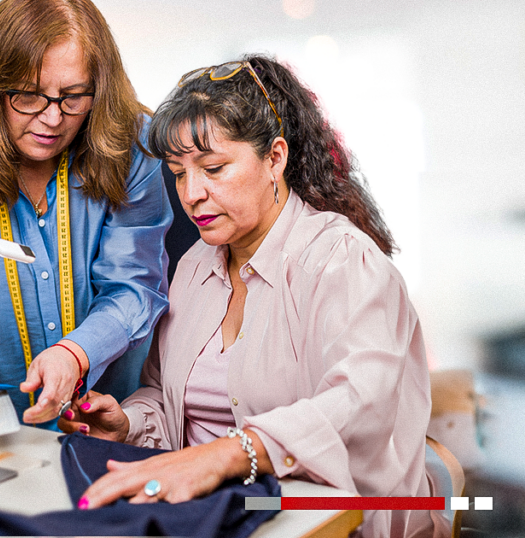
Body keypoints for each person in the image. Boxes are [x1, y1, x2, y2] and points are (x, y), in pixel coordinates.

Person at [58, 54, 444, 537]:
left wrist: (226, 455)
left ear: (274, 158)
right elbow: (166, 397)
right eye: (178, 173)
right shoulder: (196, 267)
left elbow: (356, 403)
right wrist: (130, 423)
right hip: (219, 511)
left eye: (213, 168)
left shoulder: (342, 261)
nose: (191, 193)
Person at [0, 0, 171, 428]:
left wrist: (76, 352)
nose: (53, 118)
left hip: (110, 426)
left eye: (74, 96)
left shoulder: (134, 147)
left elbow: (135, 285)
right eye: (29, 95)